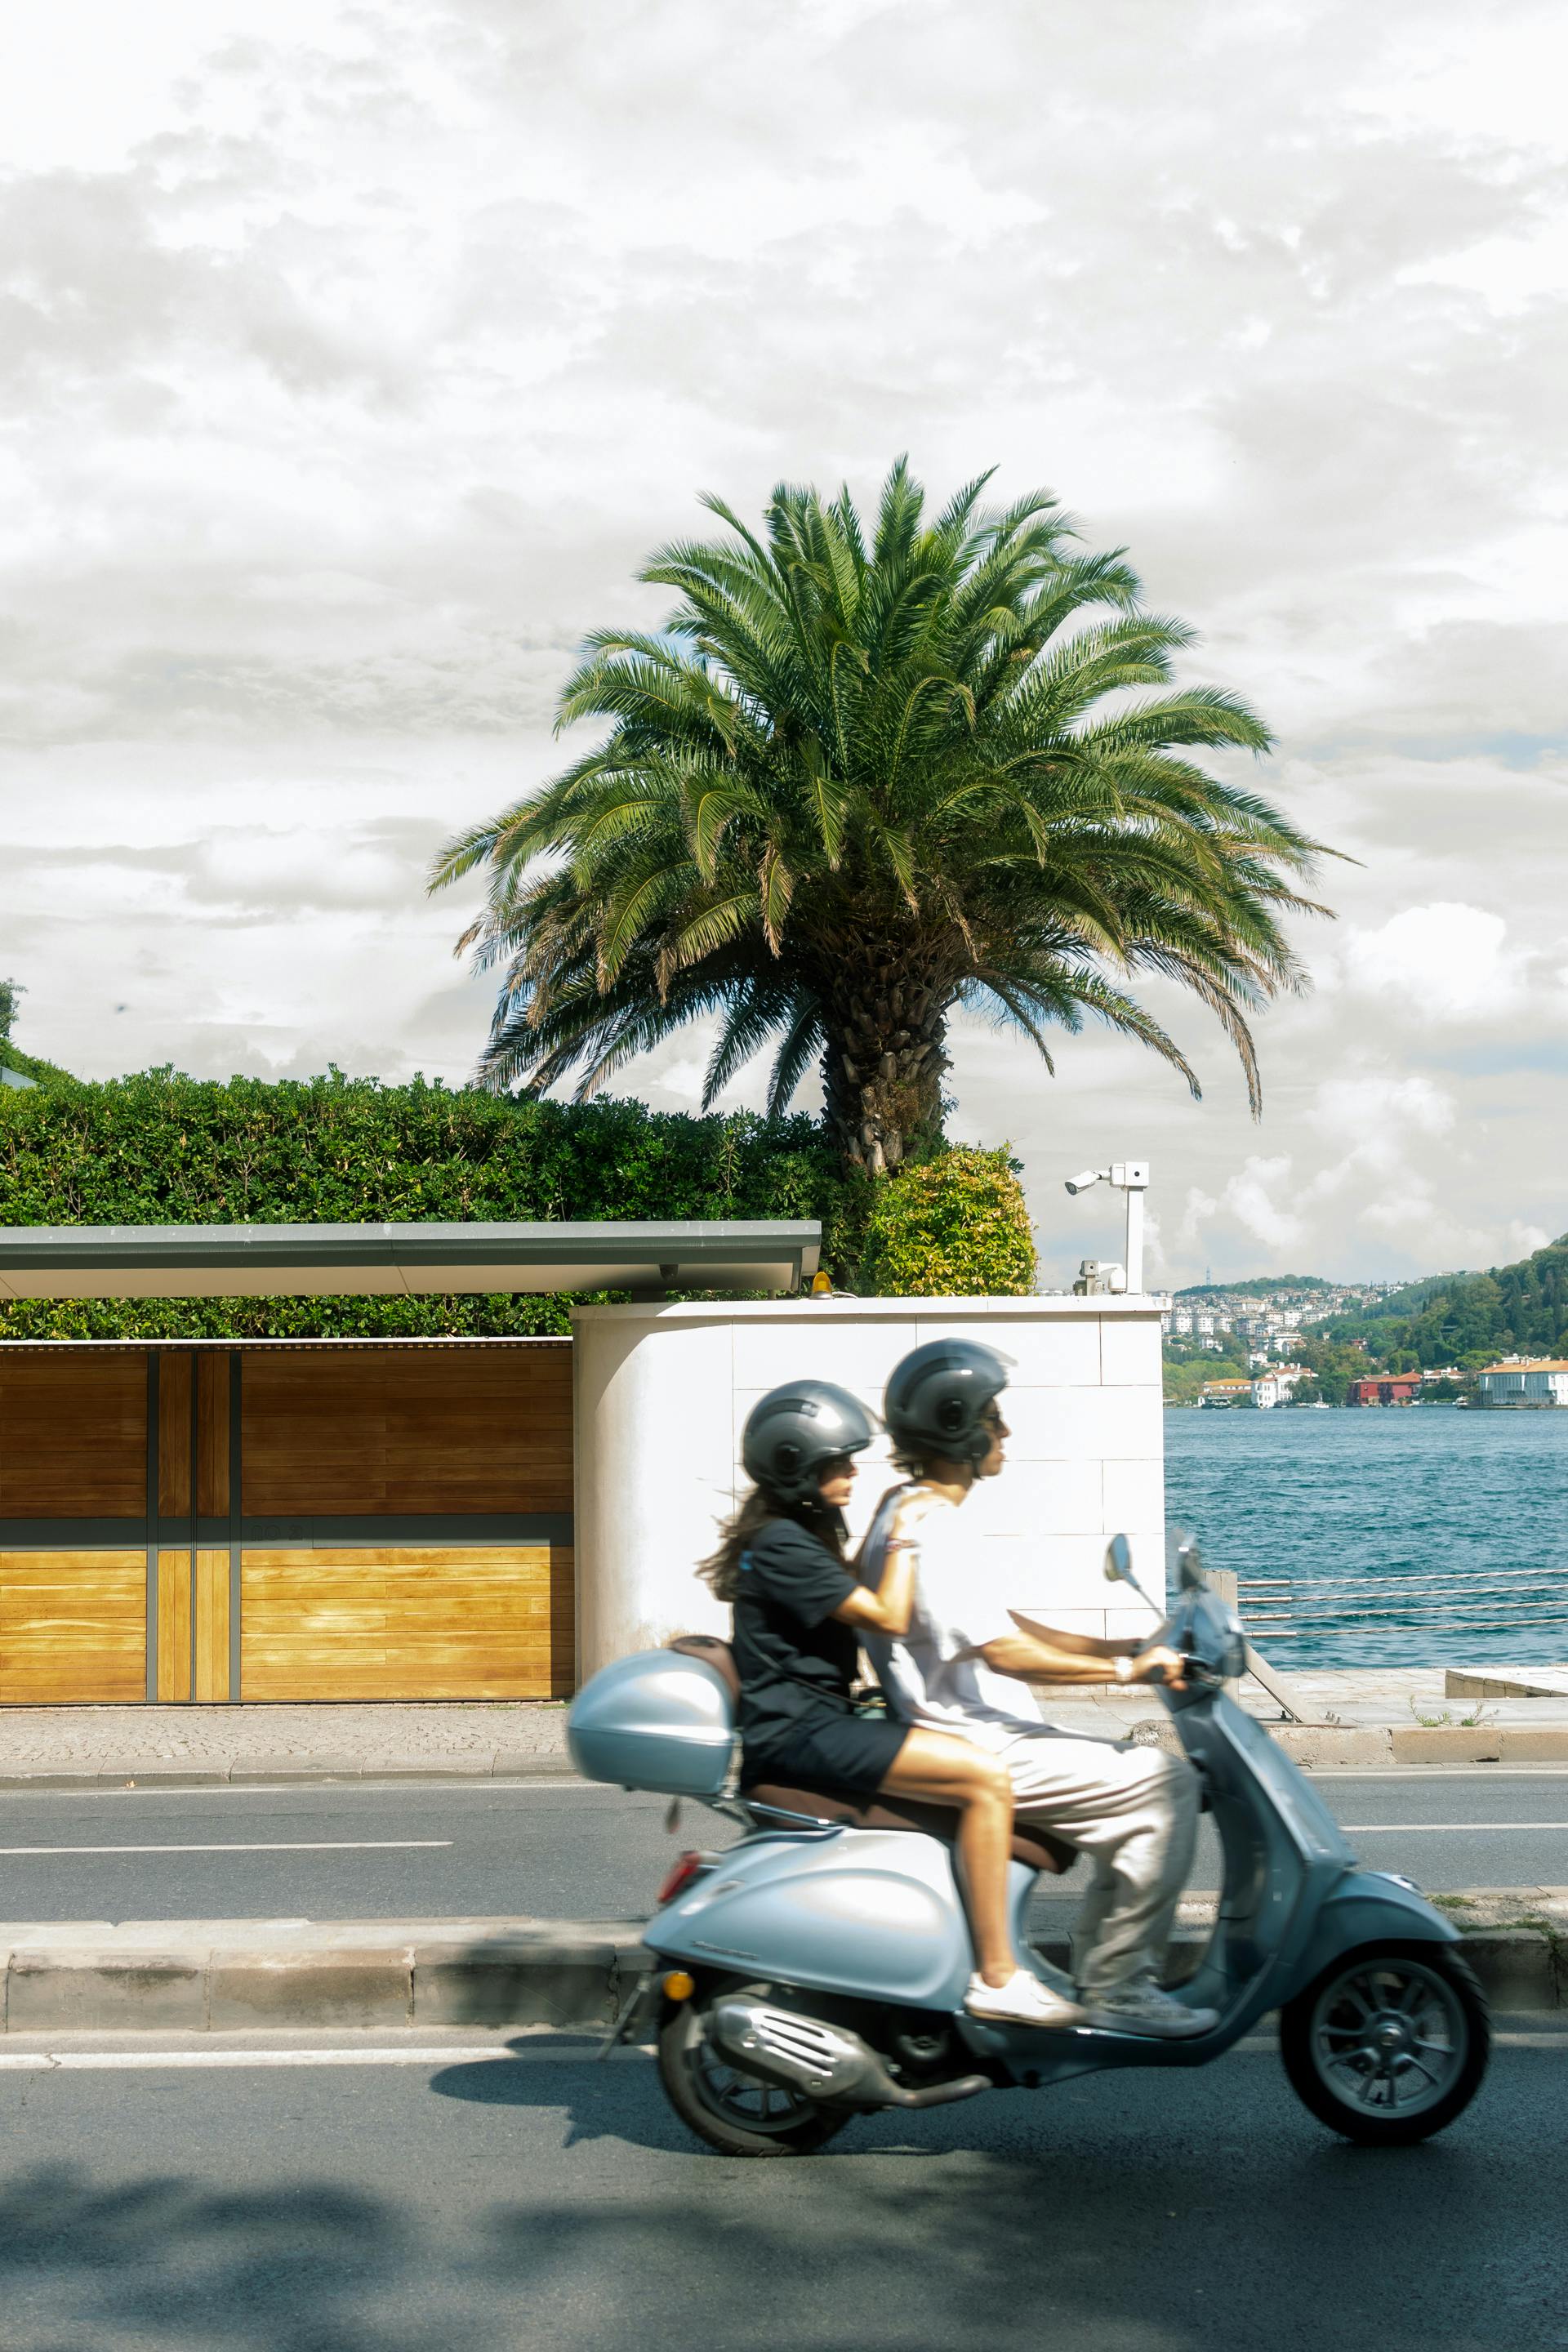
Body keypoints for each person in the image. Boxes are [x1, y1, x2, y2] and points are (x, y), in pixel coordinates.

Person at [863, 1341, 1219, 2040]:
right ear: (959, 1426)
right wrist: (1128, 1673)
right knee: (1166, 1785)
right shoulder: (932, 1527)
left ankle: (1105, 1972)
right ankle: (1118, 1985)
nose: (1006, 1432)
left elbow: (1000, 1623)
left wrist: (1120, 1644)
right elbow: (1006, 1652)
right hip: (976, 1740)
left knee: (1138, 1782)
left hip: (971, 1730)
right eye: (994, 1417)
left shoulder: (908, 1506)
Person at [700, 1379, 1082, 2029]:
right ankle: (998, 1976)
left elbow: (865, 1606)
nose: (853, 1471)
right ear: (795, 1466)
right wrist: (904, 1531)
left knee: (975, 1769)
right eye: (838, 1462)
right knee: (986, 1779)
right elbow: (887, 1612)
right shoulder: (783, 1545)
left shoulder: (797, 1533)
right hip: (803, 1735)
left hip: (820, 1721)